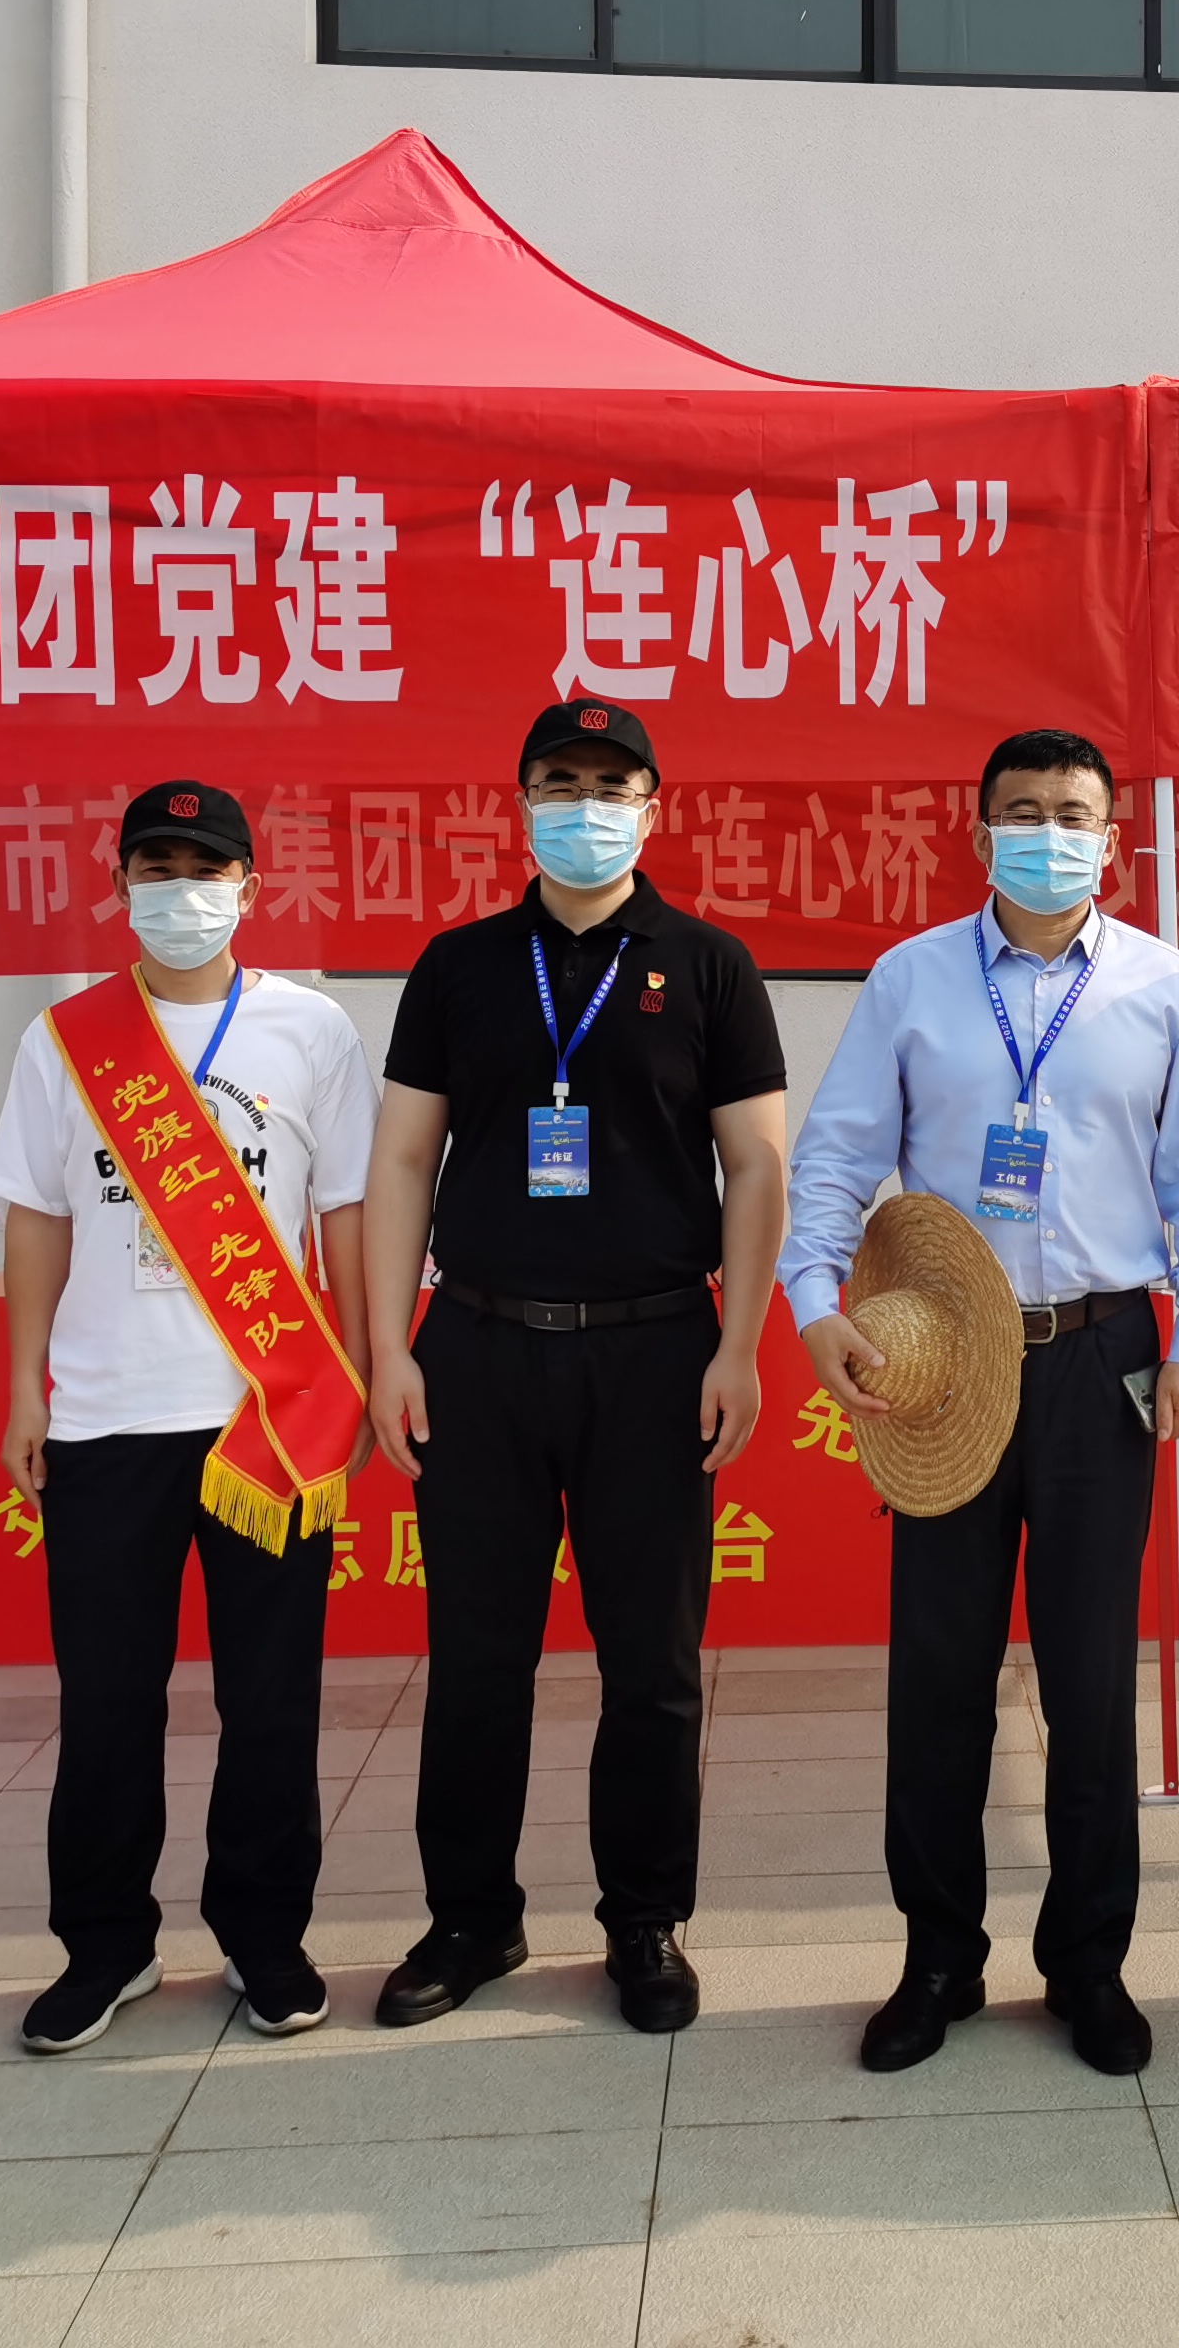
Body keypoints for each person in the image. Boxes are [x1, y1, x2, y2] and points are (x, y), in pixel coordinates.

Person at [786, 727, 1179, 2078]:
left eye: (1074, 814)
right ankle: (938, 1960)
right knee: (940, 1675)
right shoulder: (912, 980)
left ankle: (1089, 1962)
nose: (1051, 834)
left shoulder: (1161, 983)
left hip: (1104, 1357)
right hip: (945, 1360)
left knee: (1091, 1682)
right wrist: (813, 1301)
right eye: (1024, 811)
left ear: (1113, 840)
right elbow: (837, 1154)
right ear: (978, 830)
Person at [361, 697, 789, 2036]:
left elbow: (757, 1166)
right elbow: (400, 1163)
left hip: (657, 1351)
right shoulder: (460, 966)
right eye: (561, 781)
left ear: (655, 807)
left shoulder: (709, 966)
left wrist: (738, 1344)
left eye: (612, 785)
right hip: (479, 1349)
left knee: (651, 1665)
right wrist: (390, 1347)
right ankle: (471, 1919)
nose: (586, 806)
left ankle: (644, 1921)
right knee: (475, 1659)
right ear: (523, 802)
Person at [0, 782, 379, 2055]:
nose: (182, 890)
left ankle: (265, 1939)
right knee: (109, 1701)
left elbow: (347, 1214)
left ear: (250, 886)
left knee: (272, 1700)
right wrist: (24, 1386)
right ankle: (106, 1947)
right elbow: (37, 1217)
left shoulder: (311, 1030)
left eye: (206, 868)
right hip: (105, 1418)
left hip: (271, 1414)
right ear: (121, 886)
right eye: (156, 867)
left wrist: (365, 1370)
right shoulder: (67, 1040)